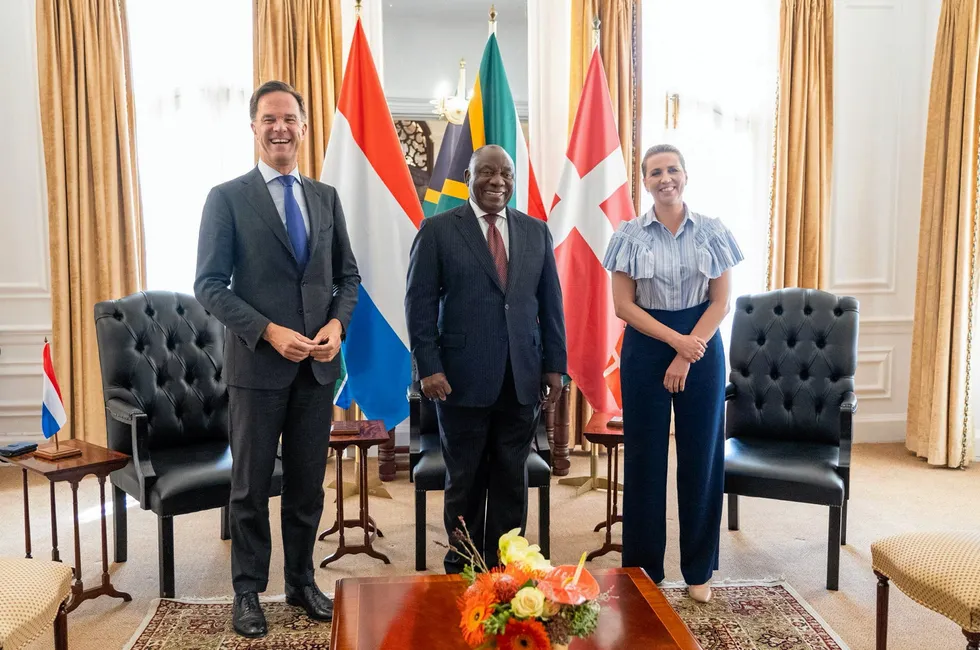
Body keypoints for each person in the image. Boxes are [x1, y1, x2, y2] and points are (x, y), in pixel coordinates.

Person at [195, 80, 360, 638]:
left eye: (290, 118)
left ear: (304, 127)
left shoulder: (325, 197)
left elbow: (348, 278)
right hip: (257, 368)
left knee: (308, 484)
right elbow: (210, 287)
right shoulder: (227, 197)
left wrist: (338, 324)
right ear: (254, 127)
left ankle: (299, 582)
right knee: (250, 486)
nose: (280, 128)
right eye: (269, 119)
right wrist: (267, 332)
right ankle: (247, 592)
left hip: (317, 368)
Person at [405, 144, 566, 573]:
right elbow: (418, 304)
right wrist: (429, 367)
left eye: (507, 174)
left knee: (512, 478)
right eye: (488, 173)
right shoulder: (438, 229)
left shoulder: (535, 231)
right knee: (465, 479)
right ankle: (463, 563)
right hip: (458, 379)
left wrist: (555, 366)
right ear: (468, 175)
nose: (498, 182)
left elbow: (551, 303)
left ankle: (507, 566)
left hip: (521, 377)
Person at [603, 144, 742, 603]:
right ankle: (645, 569)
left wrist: (687, 351)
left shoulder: (713, 231)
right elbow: (623, 305)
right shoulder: (628, 235)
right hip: (646, 346)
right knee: (645, 460)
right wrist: (673, 343)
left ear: (686, 175)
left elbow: (720, 301)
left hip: (701, 345)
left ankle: (699, 571)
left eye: (673, 170)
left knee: (701, 459)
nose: (666, 178)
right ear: (645, 181)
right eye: (656, 172)